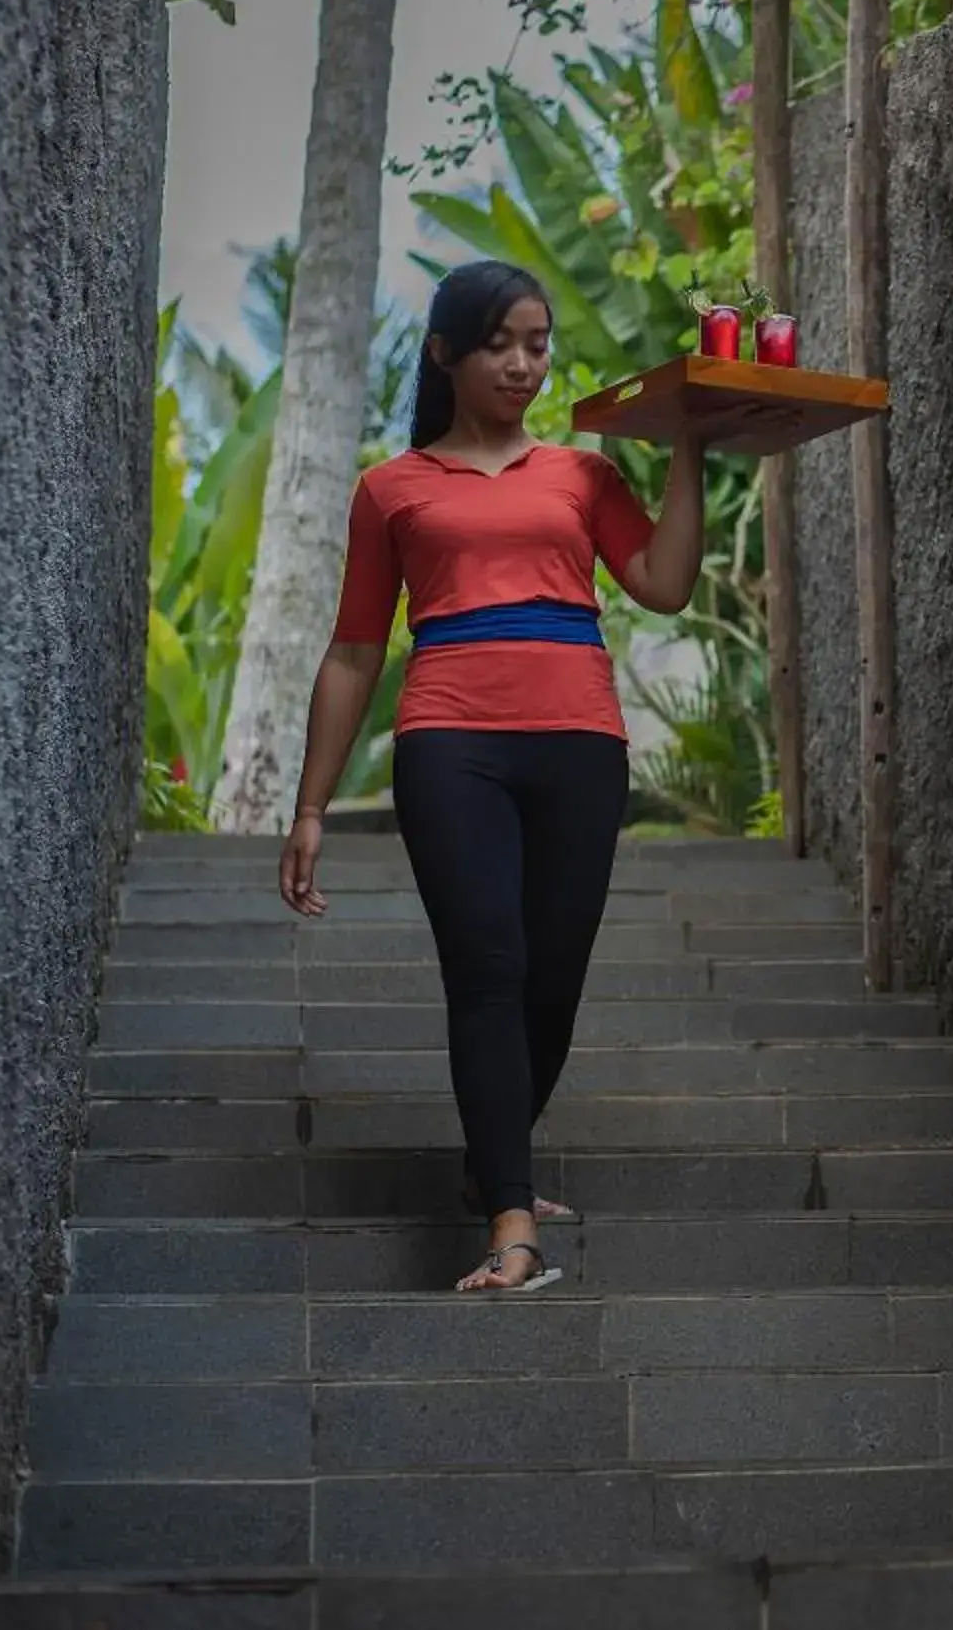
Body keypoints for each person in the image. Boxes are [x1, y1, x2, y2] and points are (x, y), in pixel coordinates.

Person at [276, 260, 707, 1293]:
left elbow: (663, 584)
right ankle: (513, 1222)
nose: (524, 363)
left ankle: (490, 1155)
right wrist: (309, 807)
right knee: (489, 966)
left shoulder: (582, 477)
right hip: (451, 739)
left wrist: (690, 445)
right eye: (500, 344)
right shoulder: (392, 490)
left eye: (538, 342)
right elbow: (351, 653)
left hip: (579, 740)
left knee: (552, 974)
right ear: (446, 354)